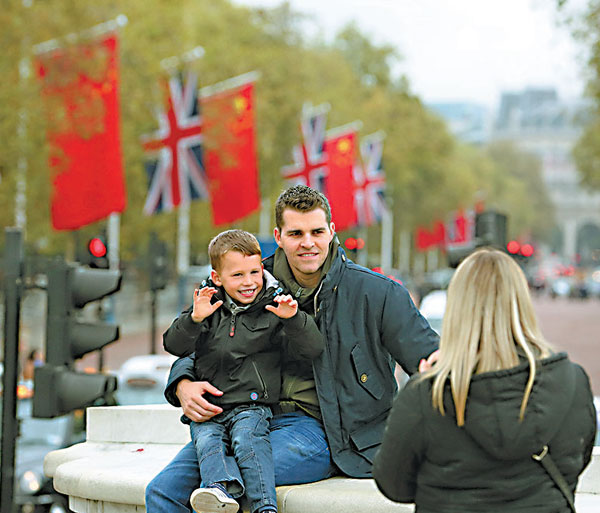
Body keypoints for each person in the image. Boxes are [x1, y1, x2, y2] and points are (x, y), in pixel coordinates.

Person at [145, 185, 440, 512]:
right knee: (163, 491)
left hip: (325, 431)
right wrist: (183, 384)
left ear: (331, 231)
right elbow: (195, 340)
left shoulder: (378, 293)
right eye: (296, 233)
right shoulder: (248, 279)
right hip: (238, 414)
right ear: (279, 236)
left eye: (316, 231)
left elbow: (432, 363)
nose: (308, 243)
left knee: (232, 483)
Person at [373, 248, 596, 513]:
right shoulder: (572, 382)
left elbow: (393, 484)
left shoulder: (426, 395)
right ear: (522, 302)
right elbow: (576, 461)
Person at [163, 229, 323, 513]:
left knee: (248, 445)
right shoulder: (207, 307)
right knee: (206, 445)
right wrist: (194, 320)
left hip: (253, 406)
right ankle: (217, 491)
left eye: (254, 273)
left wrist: (294, 318)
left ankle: (265, 508)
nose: (249, 282)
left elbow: (313, 347)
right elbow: (177, 346)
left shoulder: (276, 305)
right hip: (213, 409)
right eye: (237, 275)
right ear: (217, 278)